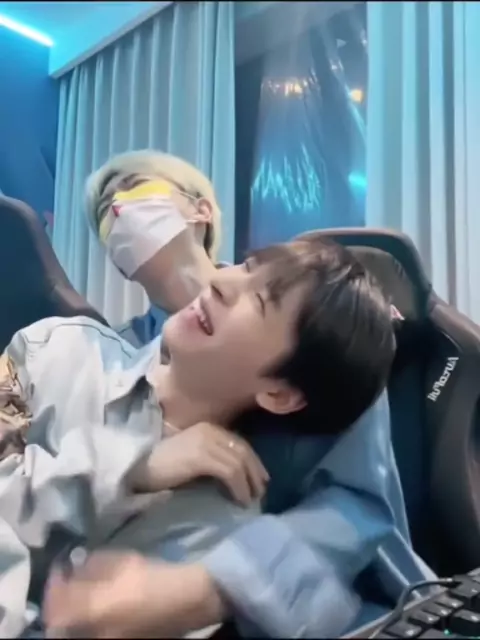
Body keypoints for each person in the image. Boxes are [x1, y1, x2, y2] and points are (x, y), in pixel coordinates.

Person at [0, 235, 402, 638]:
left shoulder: (220, 537)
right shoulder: (54, 347)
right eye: (246, 266)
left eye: (263, 300)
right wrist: (132, 466)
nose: (222, 281)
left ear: (280, 395)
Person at [85, 150, 223, 346]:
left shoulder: (265, 302)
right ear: (117, 262)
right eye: (103, 209)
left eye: (136, 185)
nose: (116, 206)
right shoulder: (116, 353)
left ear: (201, 210)